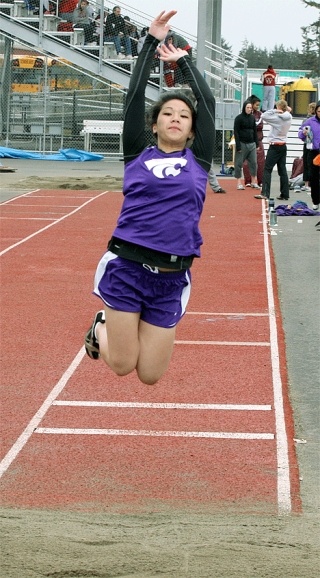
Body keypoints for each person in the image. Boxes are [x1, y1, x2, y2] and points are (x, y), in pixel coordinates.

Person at [84, 10, 215, 385]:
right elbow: (134, 94)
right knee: (123, 365)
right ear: (155, 124)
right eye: (168, 113)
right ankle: (100, 330)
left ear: (192, 129)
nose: (176, 118)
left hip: (173, 276)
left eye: (184, 116)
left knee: (150, 375)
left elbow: (205, 103)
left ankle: (105, 330)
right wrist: (150, 41)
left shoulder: (199, 159)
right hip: (128, 266)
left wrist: (184, 61)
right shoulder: (138, 152)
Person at [254, 99, 292, 201]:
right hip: (283, 145)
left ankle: (265, 193)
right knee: (282, 170)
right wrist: (286, 110)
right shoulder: (289, 117)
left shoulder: (278, 118)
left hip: (275, 146)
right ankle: (285, 194)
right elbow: (287, 112)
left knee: (267, 169)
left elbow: (264, 115)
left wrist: (275, 111)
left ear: (279, 107)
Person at [298, 100, 320, 210]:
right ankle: (315, 200)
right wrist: (303, 133)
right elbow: (300, 133)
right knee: (314, 177)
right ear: (316, 111)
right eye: (319, 111)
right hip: (313, 152)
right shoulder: (310, 121)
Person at [233, 100, 260, 190]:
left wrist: (257, 143)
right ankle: (238, 182)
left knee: (254, 163)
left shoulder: (252, 118)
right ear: (244, 108)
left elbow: (255, 131)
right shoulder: (239, 118)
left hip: (251, 143)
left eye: (250, 108)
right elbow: (236, 132)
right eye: (247, 108)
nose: (249, 109)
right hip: (242, 143)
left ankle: (253, 182)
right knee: (239, 163)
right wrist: (238, 145)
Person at [243, 95, 265, 187]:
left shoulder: (259, 114)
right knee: (247, 162)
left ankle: (260, 181)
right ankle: (248, 180)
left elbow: (260, 126)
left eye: (259, 105)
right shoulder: (245, 114)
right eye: (256, 105)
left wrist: (252, 126)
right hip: (247, 141)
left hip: (258, 140)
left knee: (261, 161)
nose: (258, 107)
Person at [301, 101, 316, 192]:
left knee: (307, 163)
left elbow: (303, 132)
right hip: (314, 144)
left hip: (308, 144)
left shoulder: (306, 120)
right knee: (312, 164)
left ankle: (307, 183)